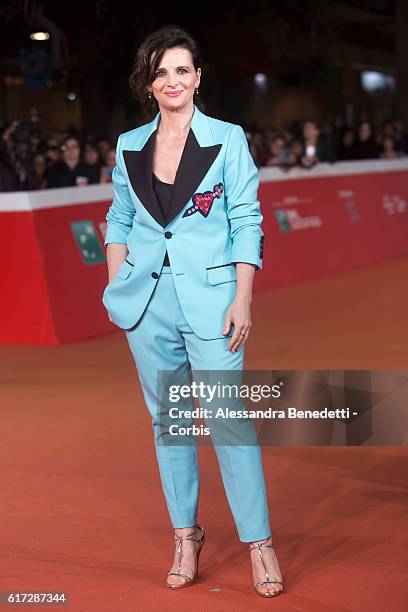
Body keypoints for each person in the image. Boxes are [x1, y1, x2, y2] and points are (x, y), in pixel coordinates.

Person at [102, 25, 283, 598]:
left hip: (212, 304)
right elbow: (120, 219)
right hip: (147, 309)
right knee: (171, 425)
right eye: (160, 72)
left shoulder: (227, 139)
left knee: (228, 421)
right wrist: (118, 282)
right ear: (148, 84)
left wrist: (243, 297)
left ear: (198, 77)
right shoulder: (130, 145)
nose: (172, 81)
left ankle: (259, 544)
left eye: (182, 70)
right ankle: (186, 536)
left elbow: (246, 221)